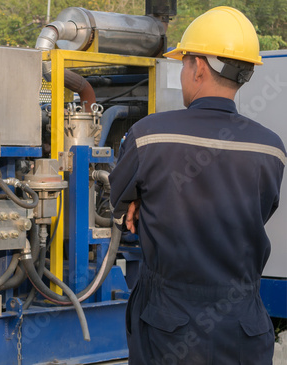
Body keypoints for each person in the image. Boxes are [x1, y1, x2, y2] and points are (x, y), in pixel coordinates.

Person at [109, 6, 286, 365]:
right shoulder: (271, 148)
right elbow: (258, 211)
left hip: (169, 326)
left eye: (185, 61)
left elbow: (116, 203)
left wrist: (142, 199)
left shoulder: (149, 135)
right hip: (245, 327)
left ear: (199, 67)